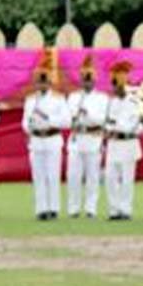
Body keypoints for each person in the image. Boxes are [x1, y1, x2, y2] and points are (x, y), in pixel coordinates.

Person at [23, 54, 71, 220]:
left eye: (44, 81)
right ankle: (41, 208)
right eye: (39, 81)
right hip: (36, 139)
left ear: (49, 82)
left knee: (52, 174)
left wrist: (48, 119)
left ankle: (54, 208)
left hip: (52, 139)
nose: (41, 84)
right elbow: (24, 122)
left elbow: (67, 121)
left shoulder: (58, 99)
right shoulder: (30, 100)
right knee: (38, 176)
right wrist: (29, 124)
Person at [66, 56, 109, 218]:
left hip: (93, 137)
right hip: (77, 137)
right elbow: (67, 116)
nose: (87, 83)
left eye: (90, 80)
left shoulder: (102, 98)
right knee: (74, 175)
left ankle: (91, 208)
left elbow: (102, 119)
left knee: (93, 175)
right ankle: (73, 208)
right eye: (85, 80)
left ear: (95, 81)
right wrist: (75, 115)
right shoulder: (73, 97)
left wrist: (88, 114)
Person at [104, 61, 142, 220]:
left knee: (127, 179)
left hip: (128, 142)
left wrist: (115, 125)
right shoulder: (111, 101)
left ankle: (126, 210)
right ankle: (114, 209)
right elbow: (106, 122)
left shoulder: (134, 100)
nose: (116, 89)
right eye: (114, 85)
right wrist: (111, 126)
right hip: (113, 143)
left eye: (118, 85)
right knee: (110, 177)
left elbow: (131, 125)